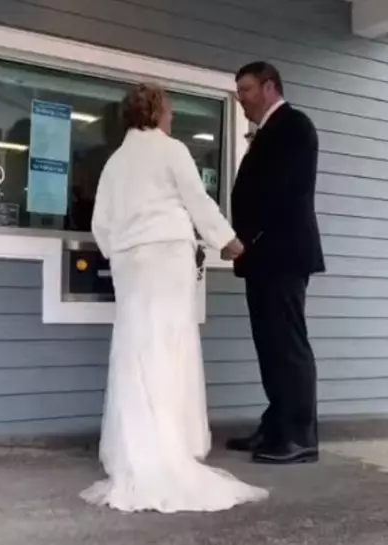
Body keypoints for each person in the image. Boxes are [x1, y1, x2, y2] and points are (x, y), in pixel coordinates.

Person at [82, 82, 268, 512]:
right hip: (166, 256)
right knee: (169, 345)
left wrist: (122, 250)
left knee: (135, 348)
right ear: (157, 112)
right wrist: (228, 240)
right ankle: (171, 443)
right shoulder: (171, 151)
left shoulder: (115, 162)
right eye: (168, 110)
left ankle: (135, 447)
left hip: (130, 263)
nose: (172, 117)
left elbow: (100, 223)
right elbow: (197, 201)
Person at [223, 61, 325, 465]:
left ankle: (301, 435)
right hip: (264, 258)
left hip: (281, 255)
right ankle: (277, 424)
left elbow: (287, 194)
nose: (240, 98)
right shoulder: (268, 131)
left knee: (288, 346)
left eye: (245, 89)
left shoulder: (294, 126)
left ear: (269, 87)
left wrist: (252, 241)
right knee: (269, 346)